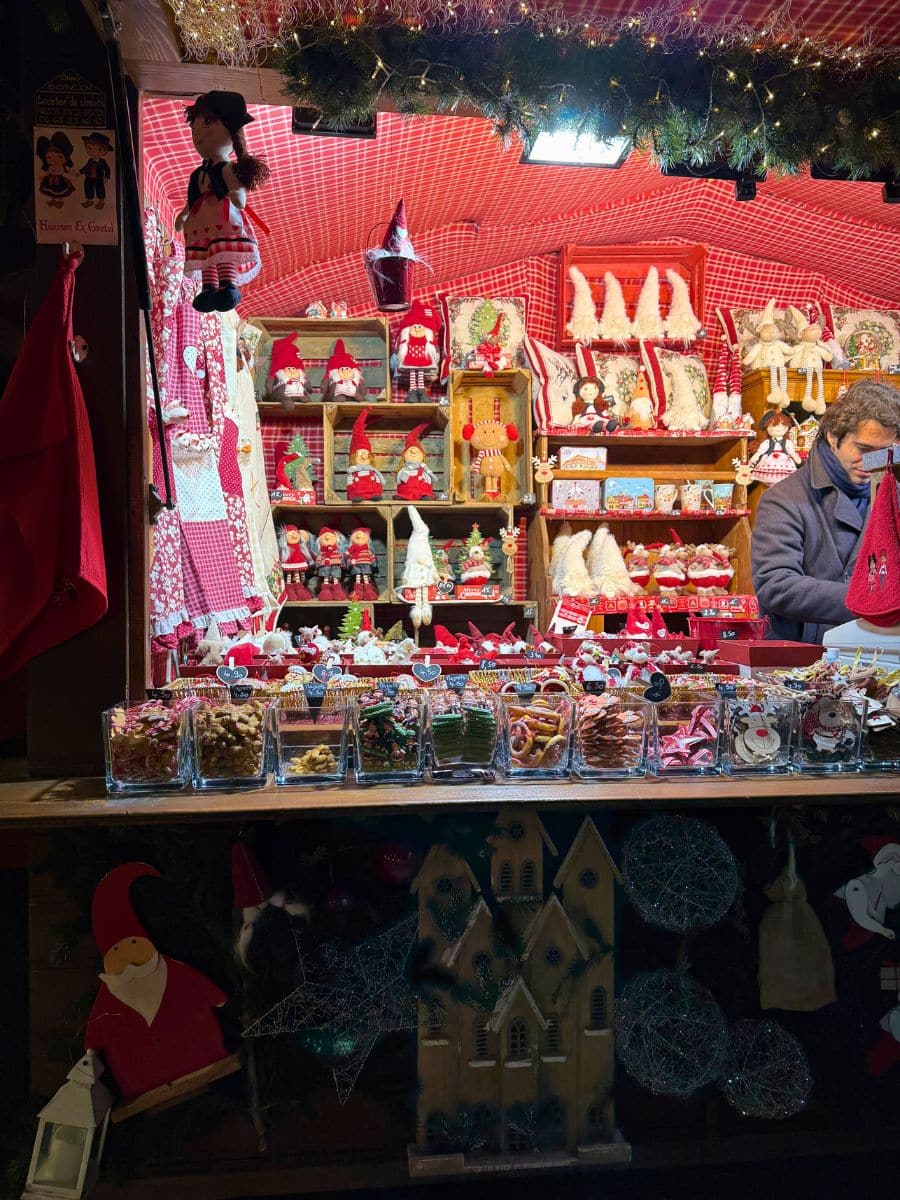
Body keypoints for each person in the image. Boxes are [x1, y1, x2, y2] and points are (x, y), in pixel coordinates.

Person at [751, 380, 900, 644]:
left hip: (878, 654)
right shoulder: (784, 499)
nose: (872, 462)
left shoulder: (893, 496)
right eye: (864, 449)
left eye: (884, 452)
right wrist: (867, 602)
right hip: (801, 662)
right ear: (833, 437)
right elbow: (775, 583)